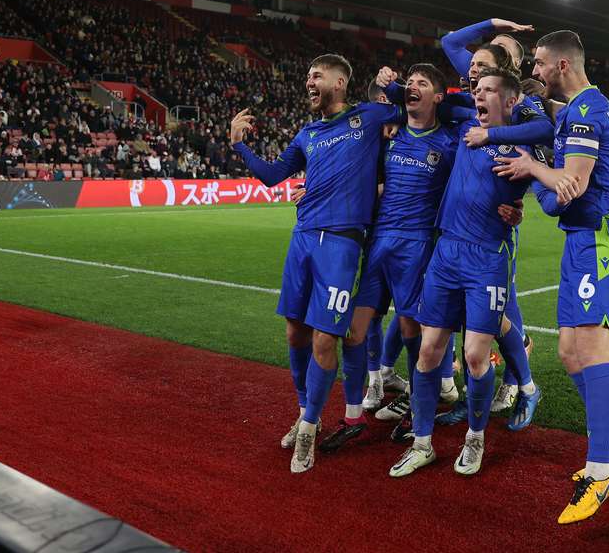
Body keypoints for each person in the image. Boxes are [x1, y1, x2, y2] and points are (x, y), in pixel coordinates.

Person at [230, 53, 405, 474]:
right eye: (307, 75)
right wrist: (239, 144)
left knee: (326, 340)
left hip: (342, 245)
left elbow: (412, 107)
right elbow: (273, 175)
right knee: (295, 333)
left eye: (316, 75)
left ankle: (309, 428)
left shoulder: (367, 118)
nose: (308, 82)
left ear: (340, 81)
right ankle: (305, 409)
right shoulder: (307, 134)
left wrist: (393, 85)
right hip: (303, 239)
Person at [494, 30, 609, 523]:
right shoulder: (582, 106)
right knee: (567, 352)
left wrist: (532, 168)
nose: (533, 70)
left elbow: (571, 188)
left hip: (597, 238)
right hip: (580, 242)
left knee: (592, 348)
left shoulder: (584, 111)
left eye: (537, 62)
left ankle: (600, 473)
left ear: (560, 65)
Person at [388, 68, 541, 478]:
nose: (479, 95)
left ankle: (475, 438)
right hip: (446, 252)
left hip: (487, 258)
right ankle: (422, 444)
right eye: (477, 89)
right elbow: (419, 97)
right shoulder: (463, 126)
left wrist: (521, 209)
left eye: (490, 91)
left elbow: (547, 154)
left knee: (475, 355)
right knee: (427, 351)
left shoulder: (524, 147)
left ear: (510, 102)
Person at [318, 63, 459, 452]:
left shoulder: (448, 142)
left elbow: (471, 183)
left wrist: (508, 208)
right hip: (378, 244)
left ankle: (420, 409)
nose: (412, 86)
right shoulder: (387, 135)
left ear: (437, 97)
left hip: (415, 247)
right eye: (409, 81)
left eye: (422, 83)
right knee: (354, 333)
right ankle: (352, 417)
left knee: (415, 334)